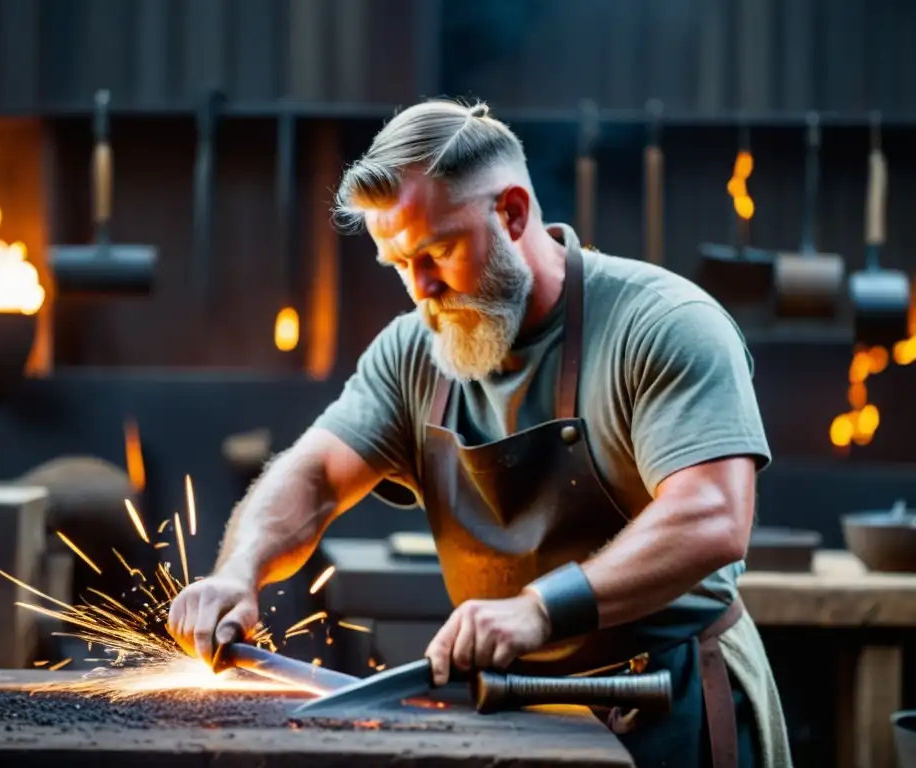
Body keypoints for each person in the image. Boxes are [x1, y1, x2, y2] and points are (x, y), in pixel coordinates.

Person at [167, 98, 792, 768]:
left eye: (436, 251)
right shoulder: (414, 351)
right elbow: (314, 475)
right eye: (398, 263)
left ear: (513, 213)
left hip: (671, 704)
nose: (420, 289)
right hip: (515, 709)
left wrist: (538, 609)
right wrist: (240, 571)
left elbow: (713, 516)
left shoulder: (664, 323)